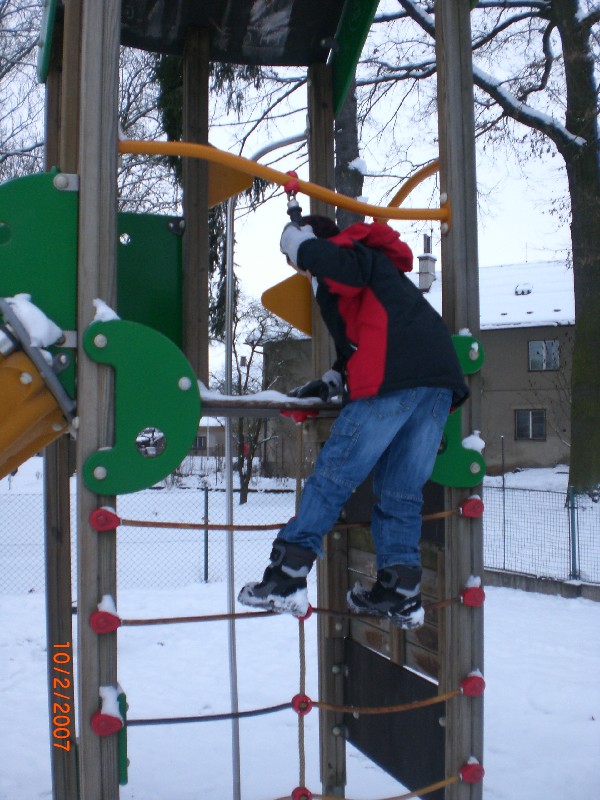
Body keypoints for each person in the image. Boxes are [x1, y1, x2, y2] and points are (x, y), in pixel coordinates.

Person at [238, 215, 469, 629]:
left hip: (395, 379)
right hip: (436, 384)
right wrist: (332, 379)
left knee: (333, 477)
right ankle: (401, 588)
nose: (301, 269)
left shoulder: (351, 256)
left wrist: (298, 242)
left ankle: (288, 574)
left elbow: (343, 268)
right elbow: (360, 341)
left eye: (299, 260)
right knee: (400, 490)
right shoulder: (378, 279)